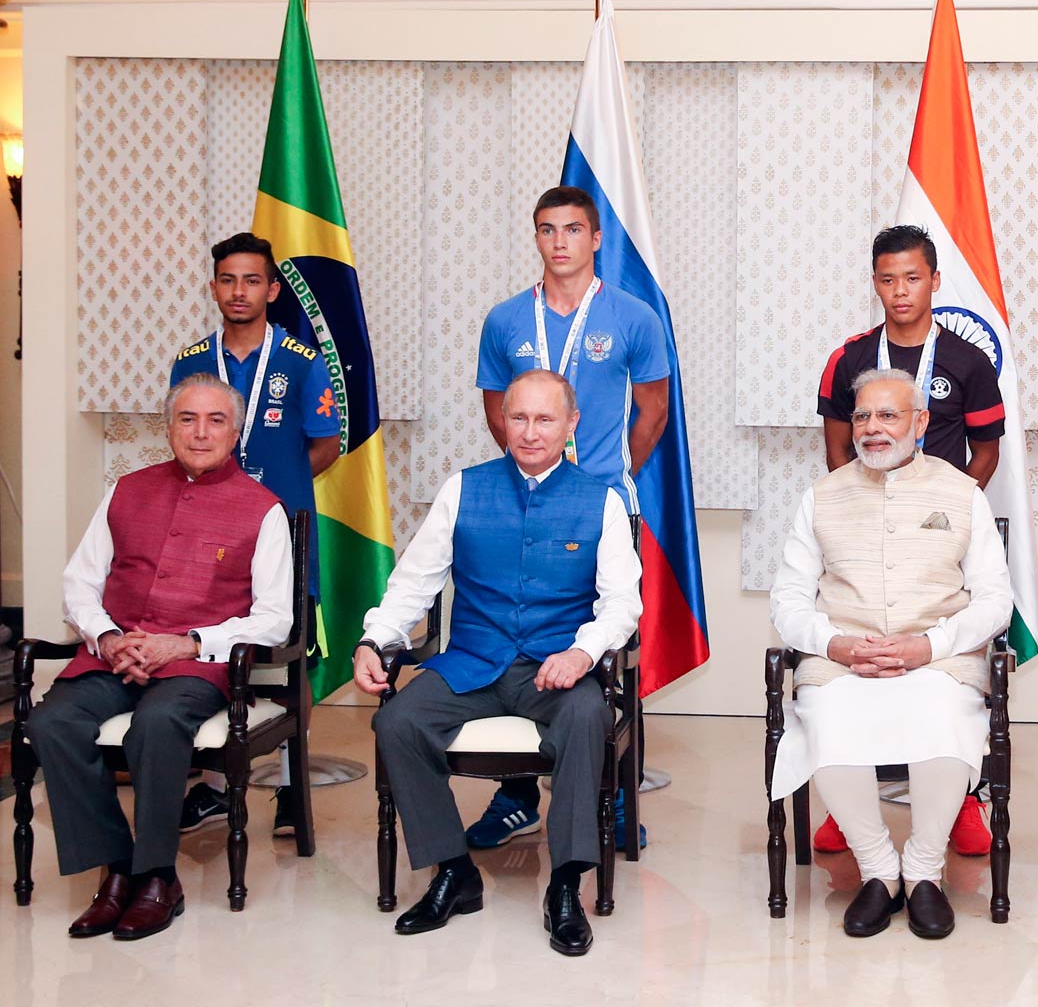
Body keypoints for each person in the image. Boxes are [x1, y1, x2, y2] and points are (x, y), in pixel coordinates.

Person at [351, 370, 641, 957]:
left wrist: (581, 652)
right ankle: (454, 871)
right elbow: (414, 583)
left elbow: (622, 604)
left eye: (545, 419)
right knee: (398, 721)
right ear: (502, 421)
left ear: (570, 424)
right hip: (473, 663)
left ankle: (565, 884)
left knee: (588, 717)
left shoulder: (602, 501)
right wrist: (374, 640)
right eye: (519, 418)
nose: (530, 432)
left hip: (555, 668)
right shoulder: (463, 489)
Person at [26, 374, 294, 941]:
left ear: (236, 432)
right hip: (114, 656)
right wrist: (107, 636)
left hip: (195, 665)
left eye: (216, 421)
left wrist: (189, 642)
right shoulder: (126, 490)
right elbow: (80, 583)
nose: (201, 433)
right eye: (187, 419)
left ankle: (157, 877)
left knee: (158, 721)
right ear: (168, 428)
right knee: (52, 722)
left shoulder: (263, 509)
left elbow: (275, 618)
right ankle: (116, 869)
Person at [770, 368, 1013, 939]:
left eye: (888, 415)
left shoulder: (962, 492)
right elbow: (787, 600)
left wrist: (928, 646)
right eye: (861, 416)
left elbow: (995, 600)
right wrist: (835, 644)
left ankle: (924, 870)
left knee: (944, 715)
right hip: (843, 659)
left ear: (920, 422)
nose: (872, 428)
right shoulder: (821, 497)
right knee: (828, 716)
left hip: (937, 658)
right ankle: (880, 870)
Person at [469, 185, 669, 852]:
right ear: (536, 237)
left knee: (607, 649)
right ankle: (516, 797)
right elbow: (497, 411)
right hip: (524, 507)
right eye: (547, 229)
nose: (560, 242)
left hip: (604, 507)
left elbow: (654, 410)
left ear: (596, 238)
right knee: (522, 638)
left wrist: (602, 481)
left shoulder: (635, 316)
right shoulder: (505, 320)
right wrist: (537, 474)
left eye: (573, 229)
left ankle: (614, 797)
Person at [813, 224, 1007, 858]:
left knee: (951, 666)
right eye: (888, 279)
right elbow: (837, 452)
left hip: (936, 538)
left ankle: (961, 801)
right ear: (874, 283)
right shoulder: (848, 359)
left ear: (935, 281)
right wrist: (866, 509)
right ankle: (848, 803)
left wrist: (947, 511)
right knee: (855, 659)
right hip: (864, 528)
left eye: (913, 278)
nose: (900, 291)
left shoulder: (968, 361)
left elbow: (986, 452)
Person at [169, 231, 340, 838]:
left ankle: (292, 789)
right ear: (213, 287)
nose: (238, 291)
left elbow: (326, 445)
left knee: (292, 658)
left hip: (281, 531)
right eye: (227, 279)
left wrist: (264, 499)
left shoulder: (301, 359)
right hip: (206, 536)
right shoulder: (191, 361)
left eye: (251, 280)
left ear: (271, 289)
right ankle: (217, 789)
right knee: (211, 646)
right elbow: (185, 440)